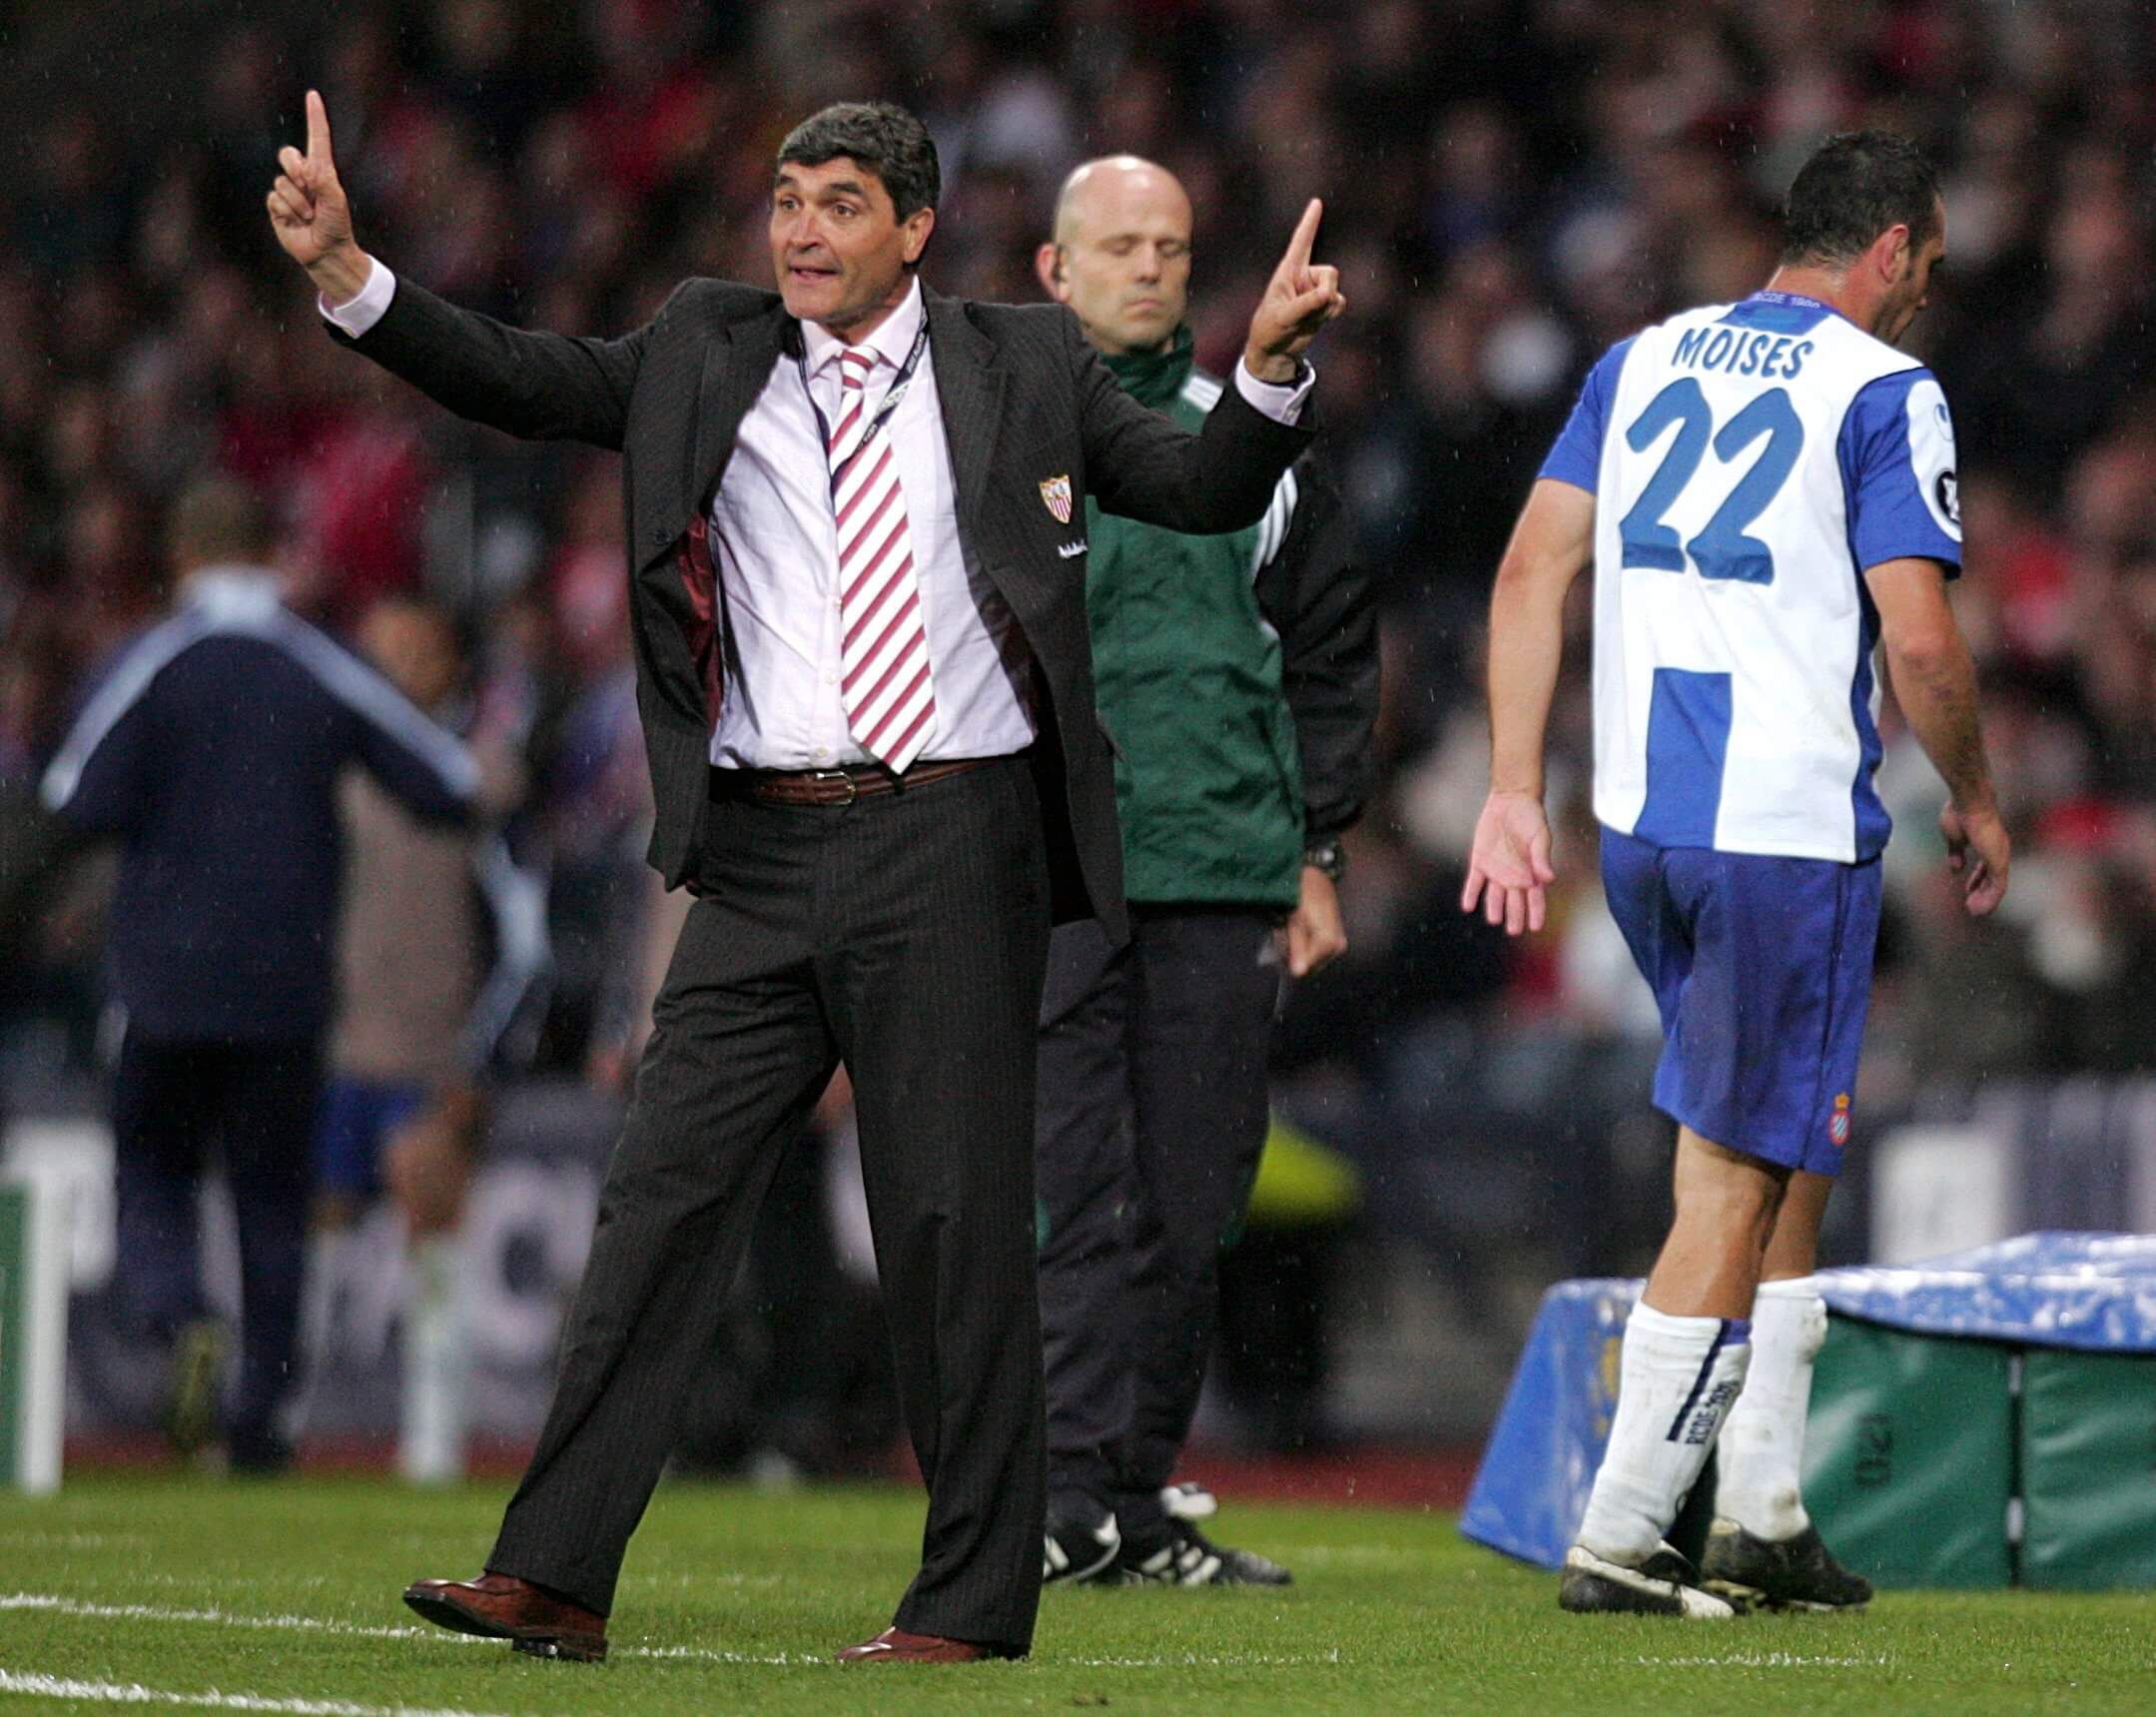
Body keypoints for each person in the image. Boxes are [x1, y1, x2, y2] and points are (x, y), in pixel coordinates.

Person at [267, 93, 1342, 1664]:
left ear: (914, 227)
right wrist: (355, 274)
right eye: (785, 201)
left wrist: (1267, 370)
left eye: (839, 204)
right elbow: (524, 378)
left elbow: (1197, 490)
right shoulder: (706, 343)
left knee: (950, 1223)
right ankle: (553, 1570)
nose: (801, 232)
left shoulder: (1023, 360)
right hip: (758, 850)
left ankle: (970, 1605)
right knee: (657, 1197)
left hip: (953, 836)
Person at [1461, 131, 2009, 1618]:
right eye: (1931, 263)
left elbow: (1525, 572)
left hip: (1642, 819)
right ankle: (1624, 1527)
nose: (1927, 293)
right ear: (1889, 246)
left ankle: (1757, 1500)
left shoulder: (1639, 359)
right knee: (1733, 1166)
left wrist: (1515, 787)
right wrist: (1971, 794)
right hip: (1777, 829)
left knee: (1790, 1134)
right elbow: (1918, 640)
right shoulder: (1885, 390)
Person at [1028, 157, 1376, 1588]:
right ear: (1051, 270)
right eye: (1117, 244)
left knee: (1188, 1202)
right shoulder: (988, 426)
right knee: (1064, 1191)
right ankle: (1053, 1498)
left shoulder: (1259, 446)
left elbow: (1330, 651)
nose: (1149, 266)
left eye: (1171, 243)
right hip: (1046, 869)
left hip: (1224, 861)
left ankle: (1131, 1498)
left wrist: (1315, 847)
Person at [39, 475, 478, 1474]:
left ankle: (178, 1313)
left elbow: (70, 796)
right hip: (285, 986)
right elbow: (441, 778)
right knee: (273, 1203)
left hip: (163, 987)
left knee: (151, 1168)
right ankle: (262, 1423)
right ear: (267, 555)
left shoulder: (154, 663)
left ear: (183, 559)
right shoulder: (312, 663)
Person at [310, 592, 548, 1485]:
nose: (387, 672)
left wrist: (478, 1060)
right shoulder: (334, 777)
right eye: (376, 653)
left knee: (431, 1240)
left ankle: (432, 1438)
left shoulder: (481, 781)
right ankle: (275, 1434)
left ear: (448, 666)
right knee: (311, 1240)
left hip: (429, 1052)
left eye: (407, 653)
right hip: (337, 1050)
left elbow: (527, 942)